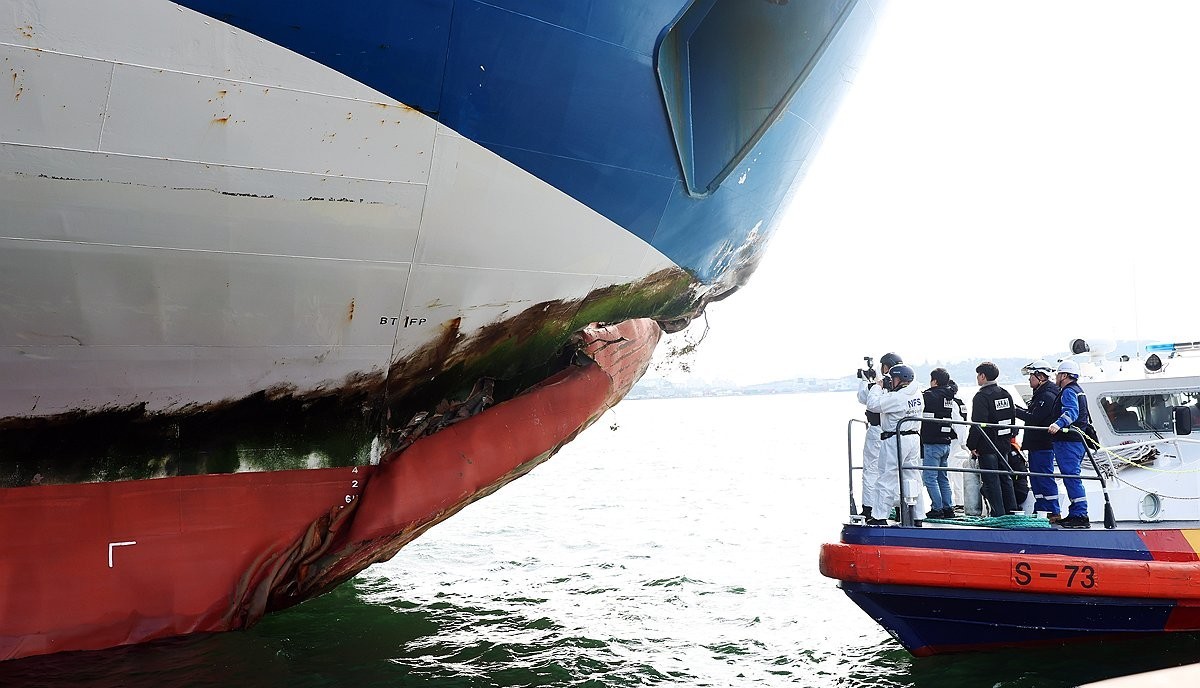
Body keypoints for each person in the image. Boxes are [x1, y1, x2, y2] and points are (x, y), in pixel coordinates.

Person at [865, 364, 925, 524]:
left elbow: (873, 405)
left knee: (886, 477)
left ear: (900, 379)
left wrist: (877, 387)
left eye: (893, 379)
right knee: (912, 478)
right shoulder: (917, 393)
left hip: (895, 439)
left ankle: (879, 516)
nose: (890, 382)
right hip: (913, 438)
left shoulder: (898, 398)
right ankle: (918, 516)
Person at [966, 362, 1019, 517]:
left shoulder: (981, 396)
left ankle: (998, 515)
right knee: (1006, 477)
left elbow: (978, 423)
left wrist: (972, 445)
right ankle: (1013, 511)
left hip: (988, 444)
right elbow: (1012, 418)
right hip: (1004, 443)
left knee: (991, 481)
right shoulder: (1005, 393)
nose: (977, 378)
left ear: (983, 376)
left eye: (978, 375)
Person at [856, 352, 902, 521]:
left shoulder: (878, 386)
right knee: (897, 471)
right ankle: (899, 508)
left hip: (877, 431)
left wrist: (865, 381)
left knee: (871, 470)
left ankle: (869, 508)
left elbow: (863, 398)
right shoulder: (904, 387)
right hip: (897, 434)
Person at [1013, 360, 1061, 519]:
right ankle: (1041, 509)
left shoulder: (1047, 396)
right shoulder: (1043, 394)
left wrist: (1013, 411)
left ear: (1040, 376)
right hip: (1037, 445)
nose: (1029, 379)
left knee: (1044, 478)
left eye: (1031, 376)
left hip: (1042, 444)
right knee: (1037, 479)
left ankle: (1053, 511)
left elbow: (1034, 418)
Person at [1048, 359, 1091, 528]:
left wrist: (1057, 424)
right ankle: (1076, 512)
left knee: (1071, 477)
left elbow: (1072, 411)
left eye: (1058, 374)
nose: (1056, 377)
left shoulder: (1068, 391)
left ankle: (1080, 514)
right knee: (1071, 476)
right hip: (1076, 441)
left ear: (1064, 375)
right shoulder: (1079, 390)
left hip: (1068, 442)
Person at [920, 368, 958, 519]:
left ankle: (937, 508)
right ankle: (948, 508)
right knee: (943, 477)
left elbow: (920, 398)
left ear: (934, 381)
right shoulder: (949, 395)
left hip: (932, 442)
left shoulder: (930, 395)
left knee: (930, 477)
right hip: (945, 442)